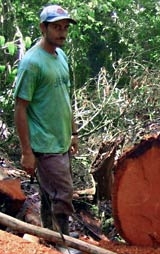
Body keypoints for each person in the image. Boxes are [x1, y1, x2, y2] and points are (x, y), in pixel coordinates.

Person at [14, 5, 79, 240]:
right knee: (63, 192)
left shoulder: (61, 56)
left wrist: (73, 133)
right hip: (44, 143)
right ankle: (63, 241)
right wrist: (26, 152)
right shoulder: (32, 63)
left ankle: (49, 237)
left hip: (61, 139)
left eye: (64, 28)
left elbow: (65, 98)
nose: (62, 32)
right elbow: (20, 108)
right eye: (56, 27)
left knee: (48, 193)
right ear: (43, 28)